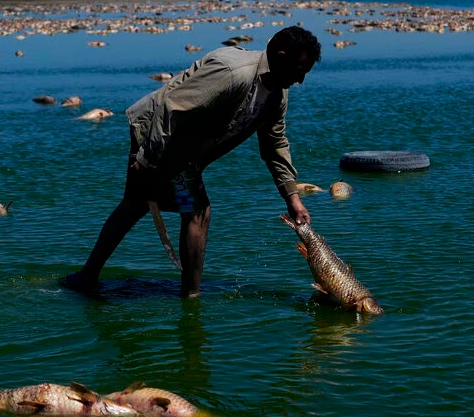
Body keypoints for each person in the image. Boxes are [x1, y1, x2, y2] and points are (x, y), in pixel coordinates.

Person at [65, 26, 322, 298]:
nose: (301, 80)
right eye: (299, 70)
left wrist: (292, 197)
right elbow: (171, 105)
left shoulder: (276, 94)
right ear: (281, 57)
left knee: (139, 203)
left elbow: (274, 144)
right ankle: (190, 295)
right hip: (160, 135)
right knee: (196, 210)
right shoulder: (234, 73)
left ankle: (87, 277)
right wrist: (148, 158)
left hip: (182, 145)